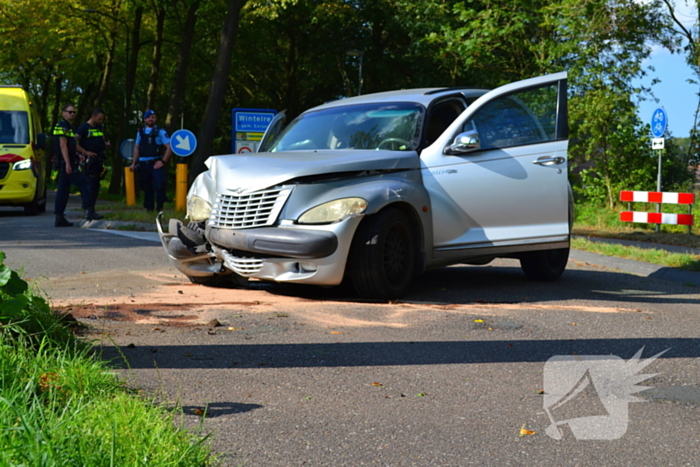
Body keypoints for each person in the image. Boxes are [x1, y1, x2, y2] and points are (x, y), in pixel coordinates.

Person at [53, 104, 99, 227]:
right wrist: (68, 163)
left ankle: (59, 216)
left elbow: (71, 145)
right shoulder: (63, 126)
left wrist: (79, 155)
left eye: (74, 112)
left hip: (66, 162)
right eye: (69, 112)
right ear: (63, 113)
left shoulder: (68, 126)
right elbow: (63, 146)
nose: (72, 114)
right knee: (84, 184)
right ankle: (89, 210)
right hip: (67, 164)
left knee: (63, 190)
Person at [129, 109, 172, 211]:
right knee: (146, 188)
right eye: (148, 117)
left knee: (159, 185)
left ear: (156, 119)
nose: (150, 119)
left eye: (152, 117)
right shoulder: (140, 132)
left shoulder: (160, 132)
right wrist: (133, 163)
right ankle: (149, 208)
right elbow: (137, 148)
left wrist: (163, 161)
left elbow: (169, 147)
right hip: (143, 164)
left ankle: (160, 207)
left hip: (156, 163)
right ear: (144, 119)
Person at [76, 107, 109, 219]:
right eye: (99, 119)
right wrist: (85, 152)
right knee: (89, 186)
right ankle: (88, 210)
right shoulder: (84, 128)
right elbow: (74, 142)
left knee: (95, 186)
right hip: (88, 162)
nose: (101, 121)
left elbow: (102, 141)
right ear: (93, 117)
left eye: (102, 119)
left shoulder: (100, 128)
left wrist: (106, 145)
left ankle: (92, 209)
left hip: (98, 161)